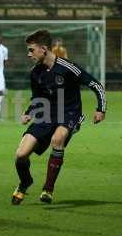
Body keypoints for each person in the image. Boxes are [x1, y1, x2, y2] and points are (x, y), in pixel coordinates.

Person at [11, 29, 106, 205]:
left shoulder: (68, 67)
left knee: (58, 138)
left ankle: (48, 188)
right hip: (46, 115)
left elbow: (95, 85)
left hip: (69, 112)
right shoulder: (35, 73)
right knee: (21, 155)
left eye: (31, 50)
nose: (28, 54)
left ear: (43, 49)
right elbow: (37, 98)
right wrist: (29, 112)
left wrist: (101, 109)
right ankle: (25, 182)